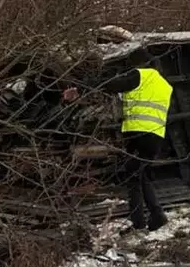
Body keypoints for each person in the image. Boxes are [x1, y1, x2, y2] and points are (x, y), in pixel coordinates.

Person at [63, 53, 173, 231]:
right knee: (140, 174)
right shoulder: (165, 85)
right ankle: (157, 215)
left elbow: (111, 85)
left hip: (138, 134)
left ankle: (138, 222)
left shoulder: (141, 75)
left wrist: (80, 90)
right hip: (155, 137)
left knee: (132, 177)